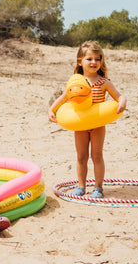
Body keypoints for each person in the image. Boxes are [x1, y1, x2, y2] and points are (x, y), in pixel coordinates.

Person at [48, 41, 127, 198]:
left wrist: (123, 101)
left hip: (97, 124)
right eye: (89, 59)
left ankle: (98, 187)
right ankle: (81, 186)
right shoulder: (76, 82)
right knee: (81, 156)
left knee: (96, 156)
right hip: (81, 124)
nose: (94, 62)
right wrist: (51, 109)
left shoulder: (104, 82)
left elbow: (119, 96)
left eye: (98, 59)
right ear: (80, 61)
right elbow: (64, 97)